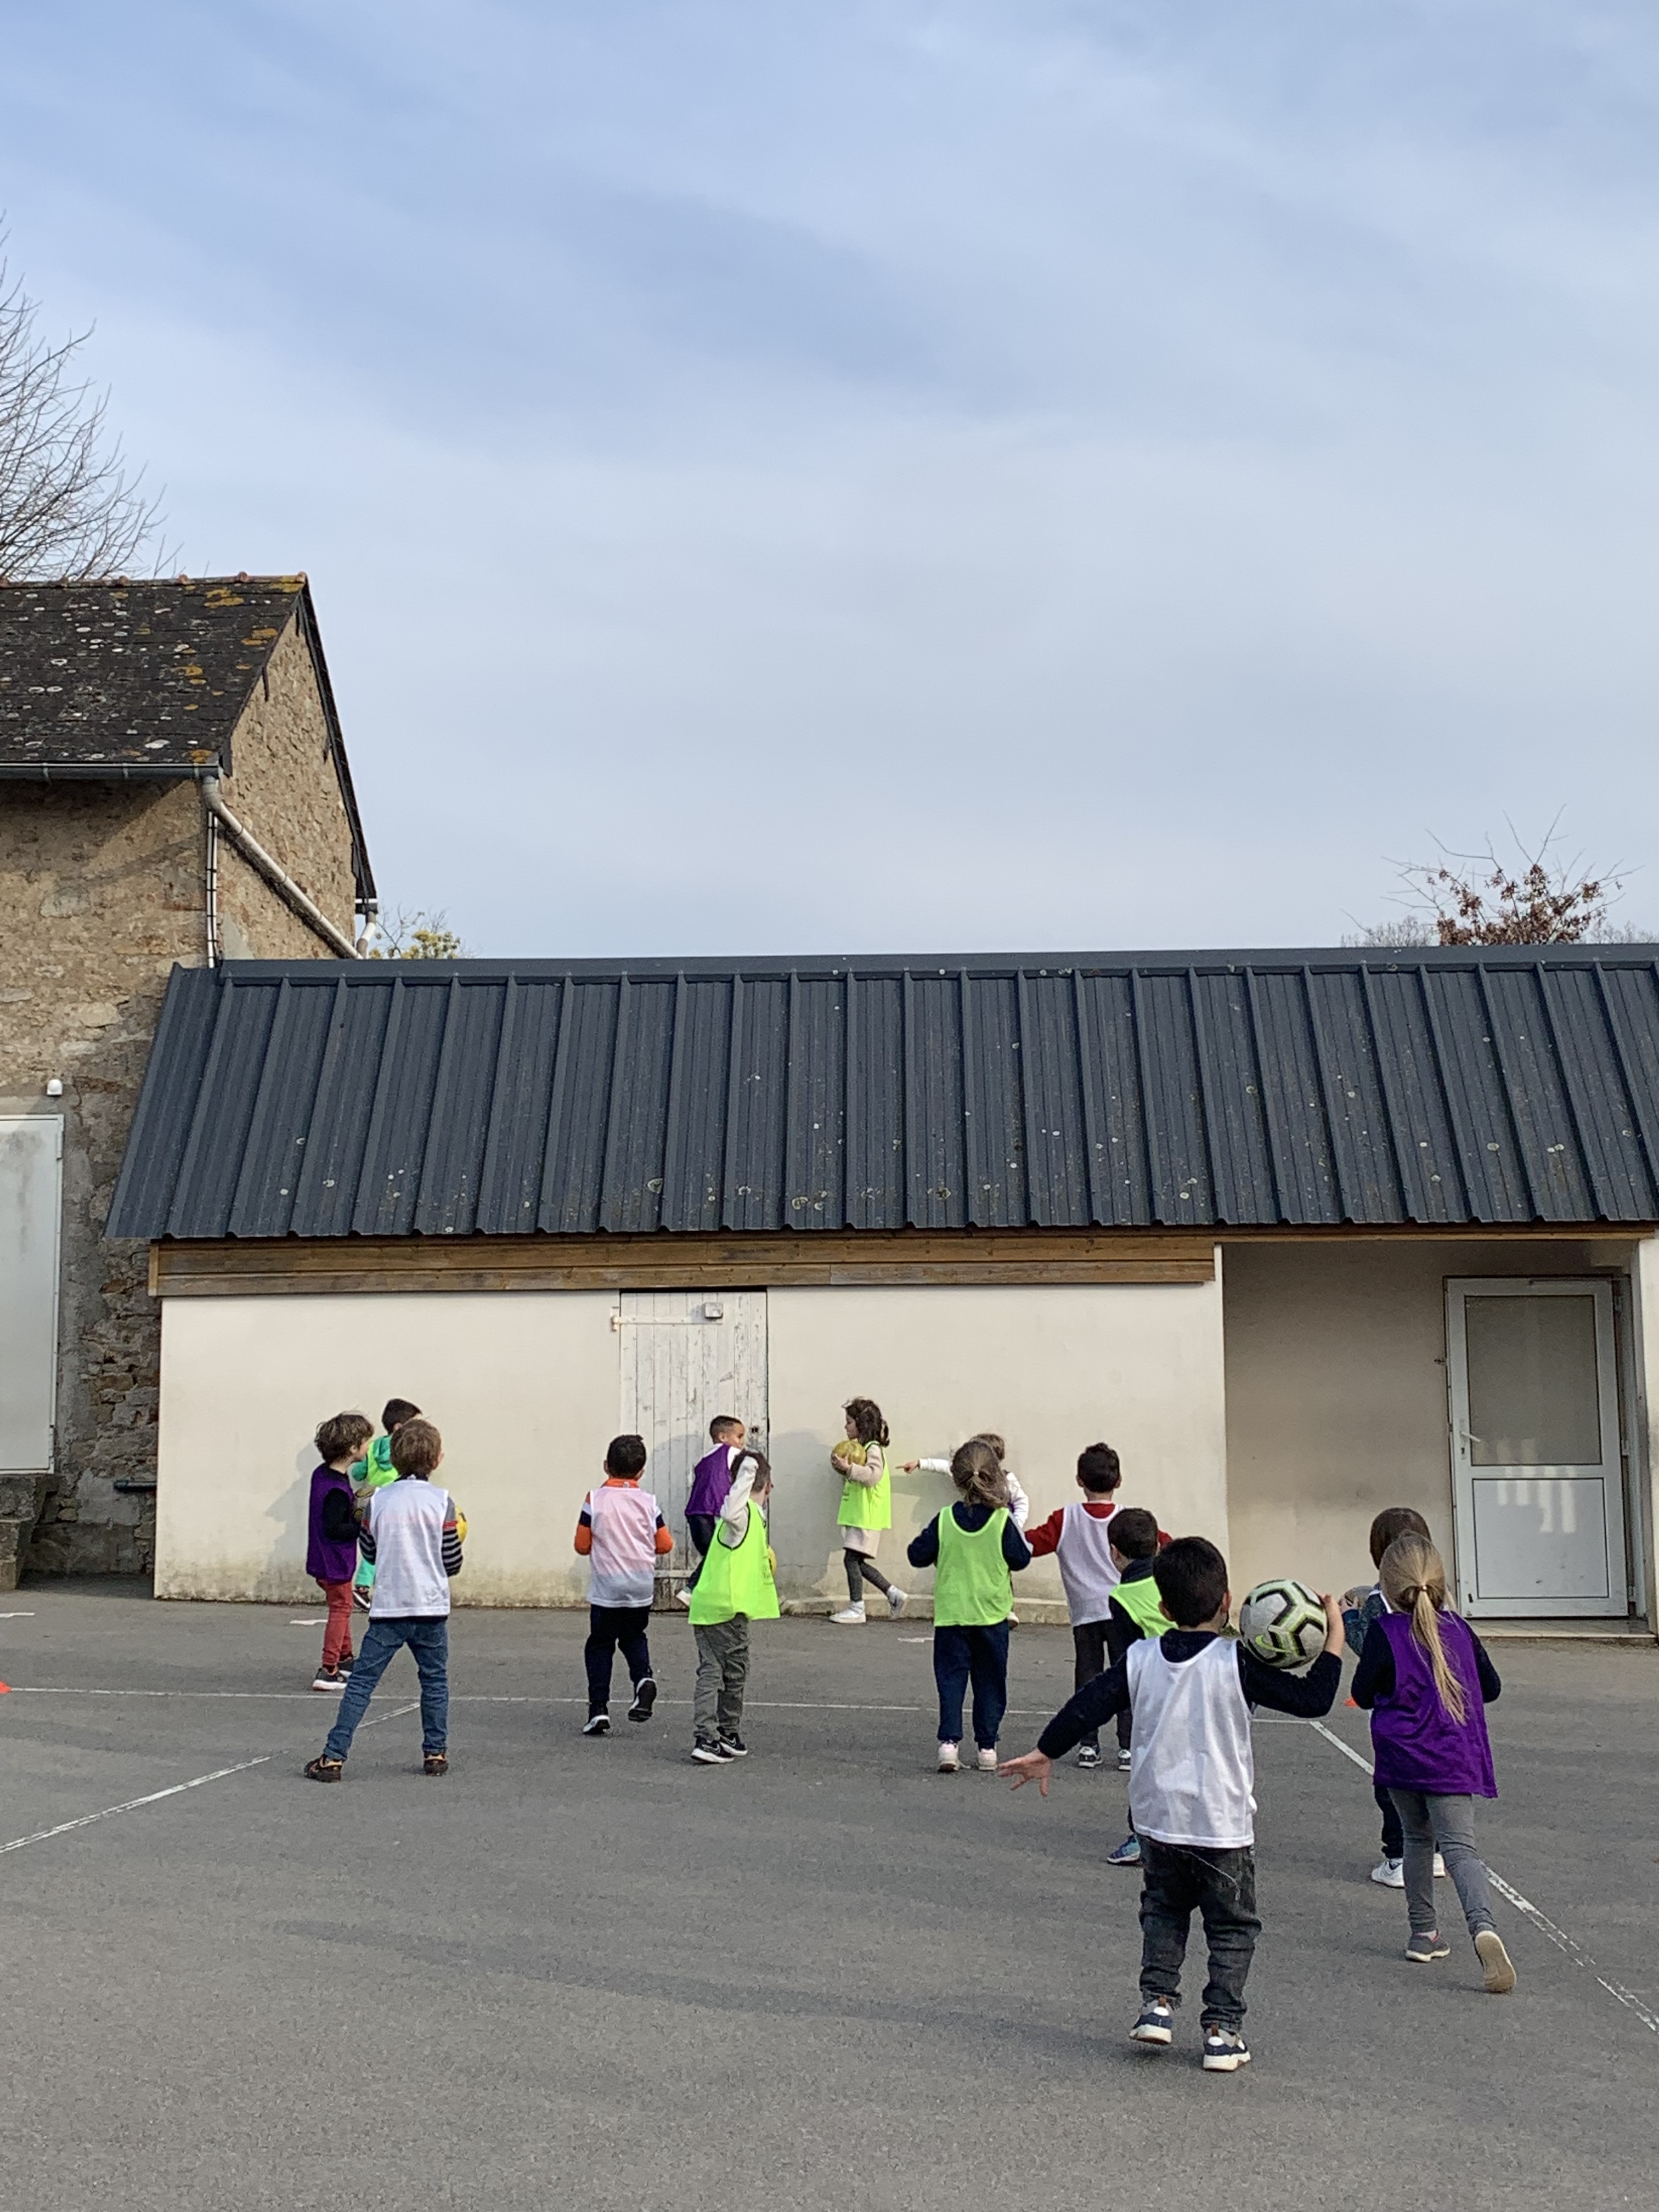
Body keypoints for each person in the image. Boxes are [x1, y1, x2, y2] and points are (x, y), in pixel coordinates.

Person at [1003, 1534, 1344, 2072]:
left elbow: (1088, 1701)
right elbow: (1313, 1699)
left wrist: (1046, 1751)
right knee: (1231, 1928)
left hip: (1157, 1824)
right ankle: (1221, 2031)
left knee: (1164, 1911)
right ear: (1229, 1602)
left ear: (1163, 1609)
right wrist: (1334, 1640)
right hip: (1221, 1827)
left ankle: (1157, 2006)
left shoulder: (1139, 1658)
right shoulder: (1238, 1662)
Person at [1350, 1533, 1514, 1995]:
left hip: (1402, 1757)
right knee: (1460, 1850)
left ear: (1387, 1587)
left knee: (1415, 1839)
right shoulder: (1459, 1630)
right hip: (1453, 1758)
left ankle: (1423, 1933)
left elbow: (1362, 1694)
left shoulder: (1385, 1634)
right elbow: (1492, 1687)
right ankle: (1483, 1927)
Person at [304, 1418, 463, 1782]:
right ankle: (435, 1752)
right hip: (430, 1607)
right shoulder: (443, 1503)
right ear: (437, 1460)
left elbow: (370, 1552)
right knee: (434, 1681)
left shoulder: (379, 1501)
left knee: (361, 1683)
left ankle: (333, 1757)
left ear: (393, 1457)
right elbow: (451, 1561)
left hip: (390, 1607)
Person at [1024, 1443, 1165, 1773]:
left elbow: (1029, 1545)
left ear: (1079, 1480)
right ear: (1119, 1481)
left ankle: (1088, 1745)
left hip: (1085, 1610)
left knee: (1088, 1676)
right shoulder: (1133, 1520)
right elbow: (1166, 1545)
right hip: (1127, 1608)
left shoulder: (1065, 1518)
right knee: (1126, 1675)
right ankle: (1128, 1746)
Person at [906, 1439, 1032, 1773]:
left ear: (957, 1480)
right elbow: (1021, 1559)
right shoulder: (1003, 1522)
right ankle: (987, 1747)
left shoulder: (945, 1519)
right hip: (991, 1615)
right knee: (991, 1681)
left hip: (952, 1616)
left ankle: (949, 1744)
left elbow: (916, 1554)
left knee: (951, 1680)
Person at [1340, 1505, 1436, 1887]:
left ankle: (1398, 1858)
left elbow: (1372, 1650)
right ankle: (1437, 1853)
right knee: (1432, 1782)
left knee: (1393, 1787)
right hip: (1437, 1710)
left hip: (1394, 1713)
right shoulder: (1438, 1596)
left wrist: (1346, 1619)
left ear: (1378, 1553)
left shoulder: (1379, 1602)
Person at [575, 1434, 675, 1735]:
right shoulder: (648, 1503)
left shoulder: (596, 1499)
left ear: (606, 1465)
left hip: (608, 1588)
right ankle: (643, 1679)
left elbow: (582, 1545)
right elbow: (666, 1544)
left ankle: (599, 1710)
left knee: (600, 1645)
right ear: (641, 1471)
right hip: (640, 1586)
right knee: (634, 1636)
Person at [687, 1448, 779, 1763]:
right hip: (723, 1609)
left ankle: (724, 1731)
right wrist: (748, 1471)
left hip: (720, 1607)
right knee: (722, 1671)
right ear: (769, 1486)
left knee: (725, 1670)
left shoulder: (754, 1519)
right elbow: (730, 1510)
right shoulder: (739, 1518)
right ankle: (709, 1734)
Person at [1094, 1508, 1167, 1863]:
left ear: (1115, 1553)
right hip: (1201, 1678)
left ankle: (1142, 1837)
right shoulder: (1174, 1579)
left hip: (1155, 1693)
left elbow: (1128, 1661)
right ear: (1157, 1545)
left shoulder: (1122, 1599)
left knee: (1147, 1770)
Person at [306, 1411, 374, 1691]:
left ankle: (345, 1659)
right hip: (335, 1562)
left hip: (323, 1559)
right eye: (366, 1442)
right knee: (341, 1609)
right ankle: (329, 1667)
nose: (369, 1447)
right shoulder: (336, 1488)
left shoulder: (323, 1476)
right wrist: (362, 1524)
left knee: (340, 1606)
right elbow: (335, 1529)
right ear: (352, 1448)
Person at [830, 1396, 907, 1623]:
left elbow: (874, 1475)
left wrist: (849, 1468)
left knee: (851, 1560)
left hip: (867, 1514)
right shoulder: (862, 1448)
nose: (846, 1426)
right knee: (856, 1561)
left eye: (849, 1422)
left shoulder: (872, 1449)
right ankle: (893, 1594)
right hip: (861, 1514)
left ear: (861, 1425)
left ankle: (857, 1607)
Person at [349, 1397, 422, 1613]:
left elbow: (359, 1472)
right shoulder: (404, 1449)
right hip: (396, 1502)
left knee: (374, 1546)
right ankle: (383, 1591)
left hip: (373, 1500)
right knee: (394, 1547)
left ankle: (365, 1586)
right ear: (399, 1427)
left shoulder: (371, 1448)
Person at [676, 1415, 746, 1606]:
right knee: (721, 1553)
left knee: (714, 1555)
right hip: (714, 1511)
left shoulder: (703, 1461)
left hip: (695, 1513)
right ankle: (691, 1590)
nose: (742, 1443)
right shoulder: (732, 1453)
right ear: (723, 1437)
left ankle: (706, 1595)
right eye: (739, 1437)